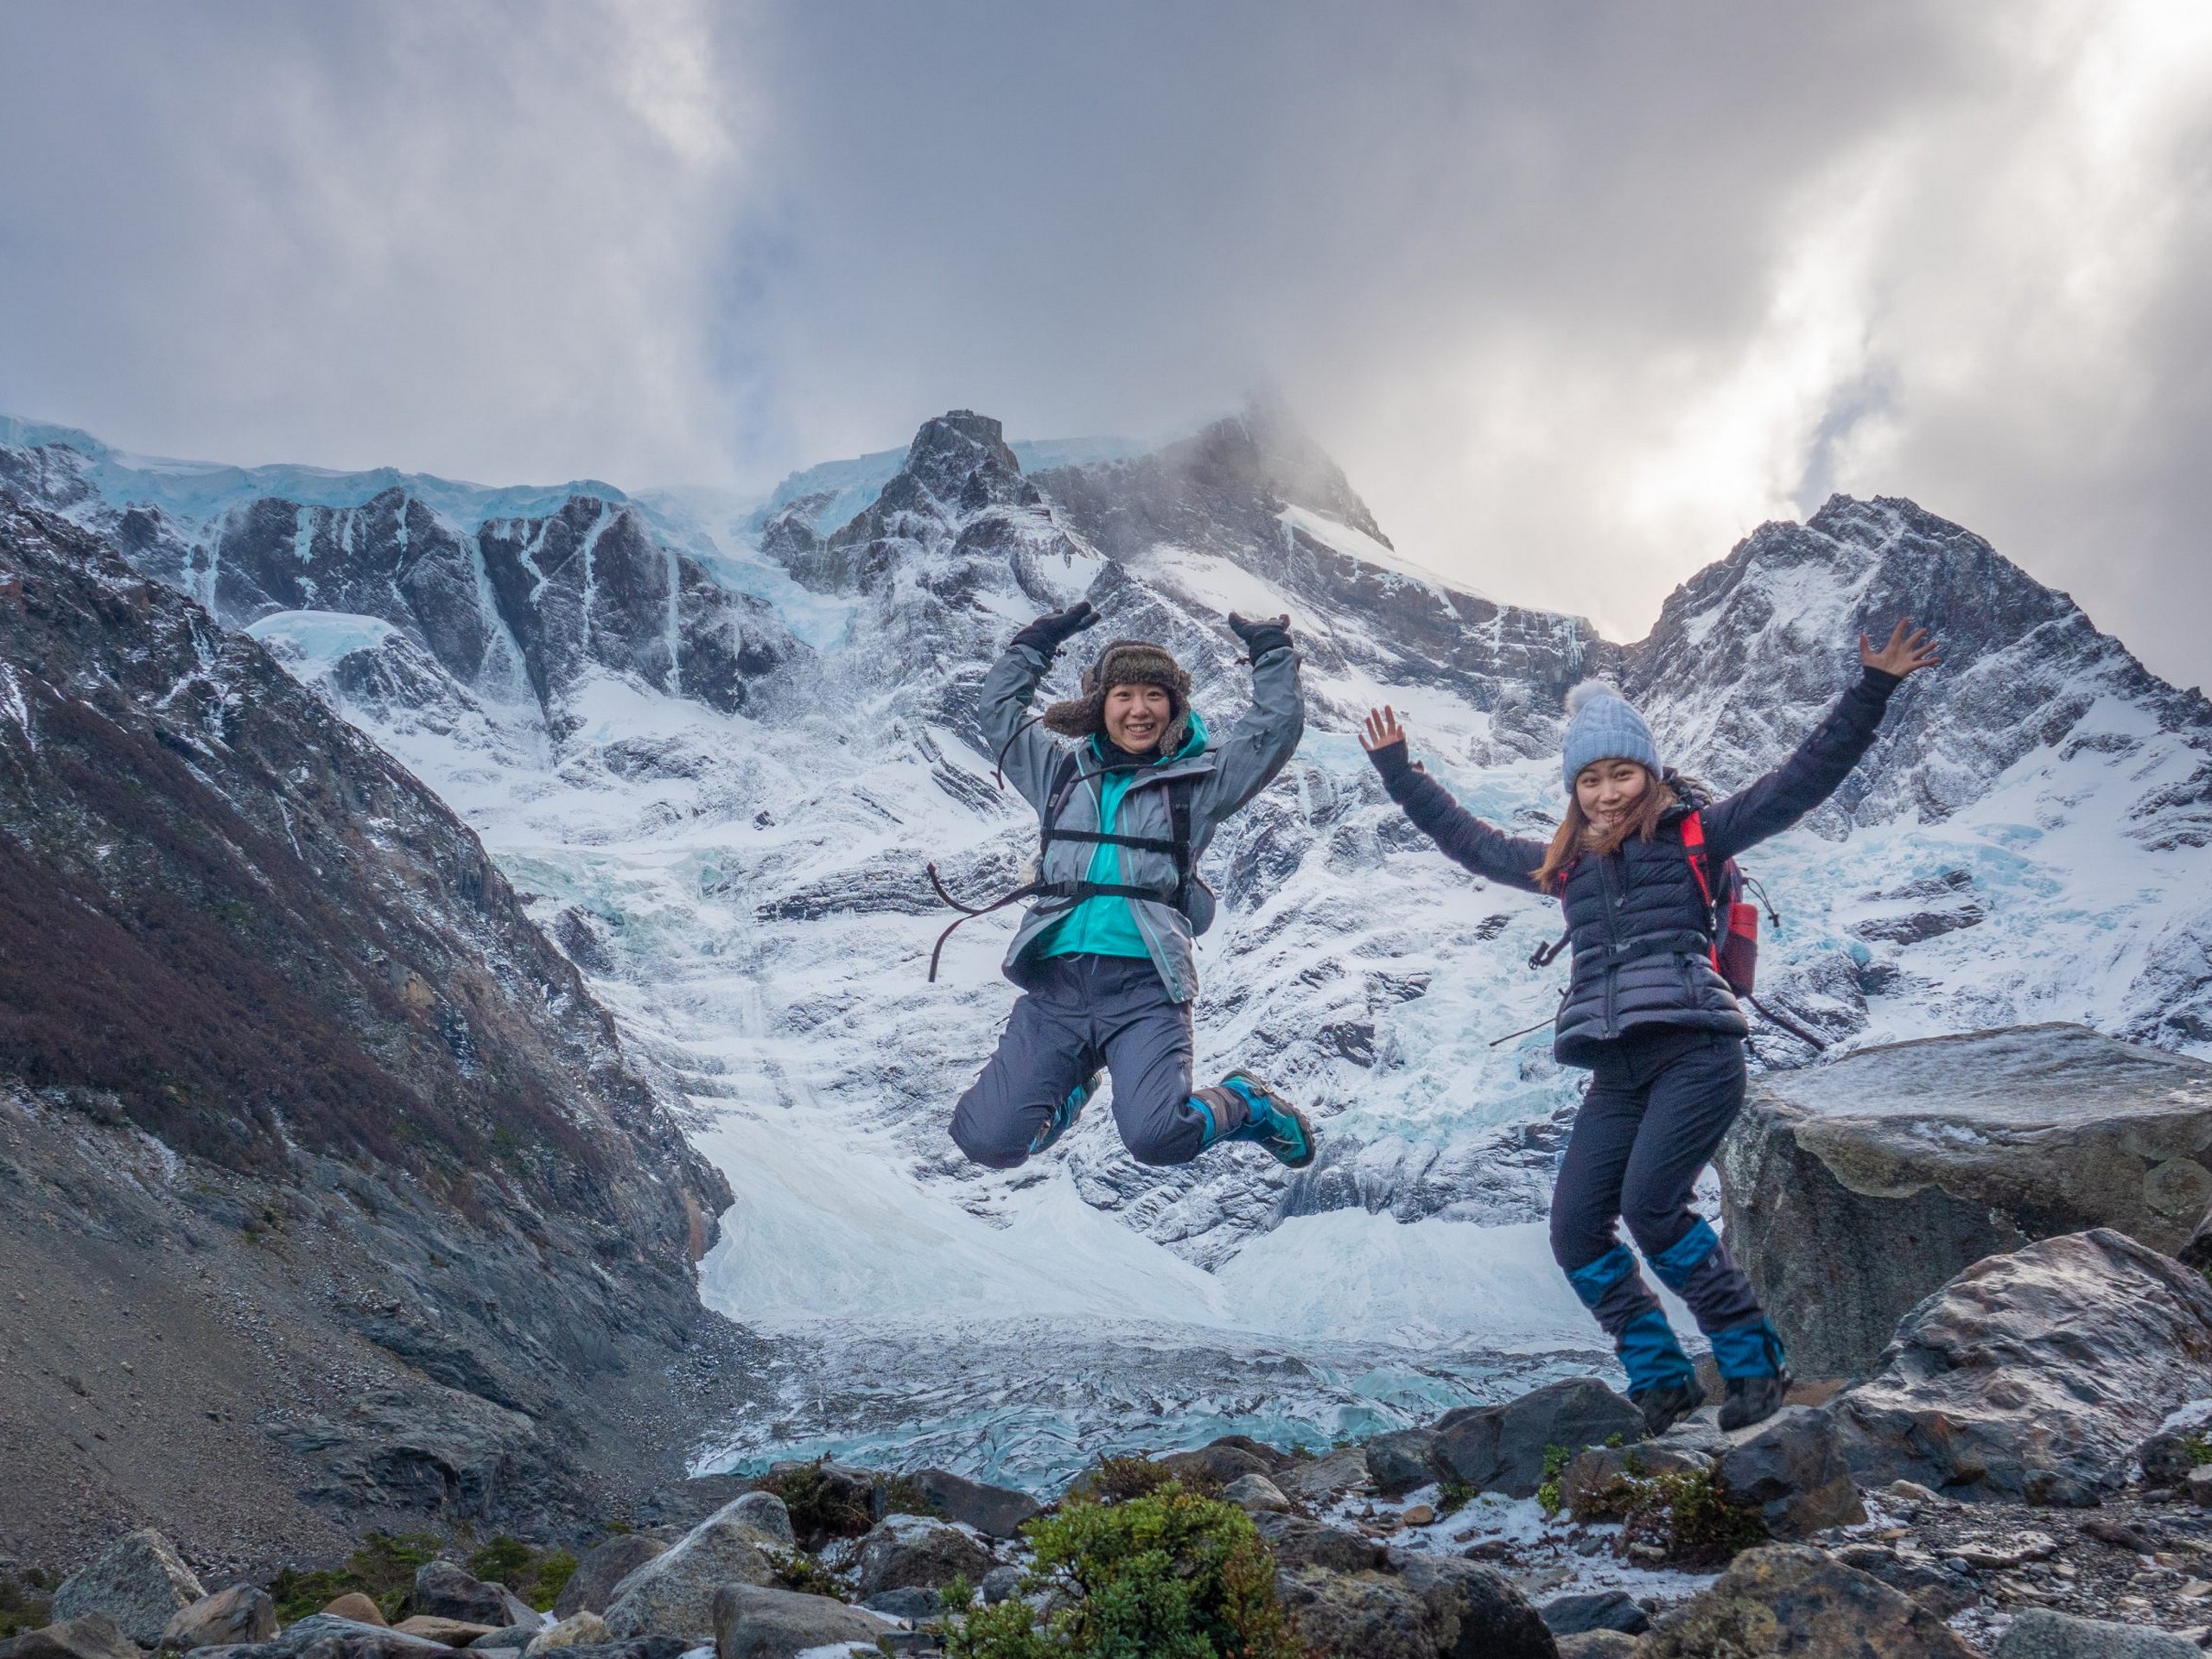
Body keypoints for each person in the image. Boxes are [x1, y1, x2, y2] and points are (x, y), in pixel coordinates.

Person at [1358, 620, 1940, 1433]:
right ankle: (1661, 1379)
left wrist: (1872, 688)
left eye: (1621, 773)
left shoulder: (1701, 838)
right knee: (1574, 1231)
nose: (1605, 793)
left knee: (1653, 1208)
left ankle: (1750, 1362)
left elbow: (1804, 778)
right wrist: (1398, 772)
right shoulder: (1566, 867)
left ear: (1650, 774)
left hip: (1697, 1052)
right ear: (1574, 789)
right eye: (1589, 780)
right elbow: (1469, 841)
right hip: (1617, 1069)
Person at [949, 599, 1317, 1173]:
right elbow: (998, 715)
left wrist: (1271, 653)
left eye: (1155, 695)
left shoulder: (1200, 782)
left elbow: (1273, 733)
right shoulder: (1060, 774)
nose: (1139, 710)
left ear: (1174, 706)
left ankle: (1246, 1103)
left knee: (1158, 1138)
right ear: (1102, 706)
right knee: (987, 1140)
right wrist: (1034, 644)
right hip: (1057, 987)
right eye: (1124, 696)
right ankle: (1070, 1091)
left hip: (1146, 986)